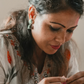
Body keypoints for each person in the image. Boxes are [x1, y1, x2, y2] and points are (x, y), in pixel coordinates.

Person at [0, 0, 84, 84]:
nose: (62, 40)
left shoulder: (65, 49)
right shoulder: (3, 46)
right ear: (32, 14)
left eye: (70, 30)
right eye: (54, 28)